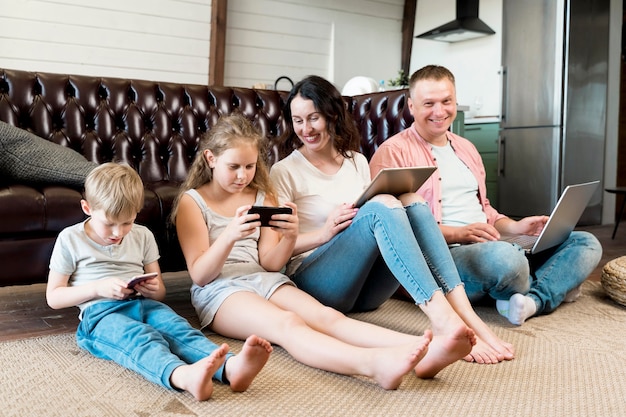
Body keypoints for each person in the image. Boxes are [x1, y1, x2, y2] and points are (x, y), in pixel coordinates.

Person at [171, 113, 440, 388]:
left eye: (250, 166)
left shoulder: (262, 194)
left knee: (327, 316)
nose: (243, 176)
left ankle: (425, 347)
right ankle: (373, 365)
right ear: (210, 158)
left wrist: (288, 236)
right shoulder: (193, 202)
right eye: (234, 166)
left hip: (265, 279)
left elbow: (270, 263)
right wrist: (229, 235)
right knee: (287, 324)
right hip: (220, 289)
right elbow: (201, 275)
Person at [268, 75, 514, 368]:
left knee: (412, 199)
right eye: (298, 121)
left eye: (314, 118)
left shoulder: (357, 161)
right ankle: (442, 319)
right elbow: (274, 253)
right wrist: (323, 233)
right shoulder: (284, 172)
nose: (305, 129)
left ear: (332, 115)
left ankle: (465, 314)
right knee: (382, 205)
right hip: (316, 285)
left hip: (365, 293)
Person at [369, 65, 603, 326]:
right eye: (429, 103)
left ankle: (531, 300)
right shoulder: (393, 153)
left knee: (585, 242)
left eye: (447, 101)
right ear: (411, 106)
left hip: (491, 243)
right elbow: (391, 229)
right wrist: (460, 233)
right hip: (445, 256)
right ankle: (552, 284)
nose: (439, 111)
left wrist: (516, 226)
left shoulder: (466, 148)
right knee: (507, 260)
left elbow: (486, 210)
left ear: (455, 101)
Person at [46, 162, 272, 401]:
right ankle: (184, 376)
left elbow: (160, 292)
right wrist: (96, 288)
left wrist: (152, 289)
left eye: (127, 222)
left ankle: (230, 367)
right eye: (109, 223)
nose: (118, 233)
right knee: (140, 338)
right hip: (100, 315)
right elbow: (54, 297)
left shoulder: (142, 235)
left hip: (144, 304)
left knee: (179, 329)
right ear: (87, 207)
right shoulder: (70, 239)